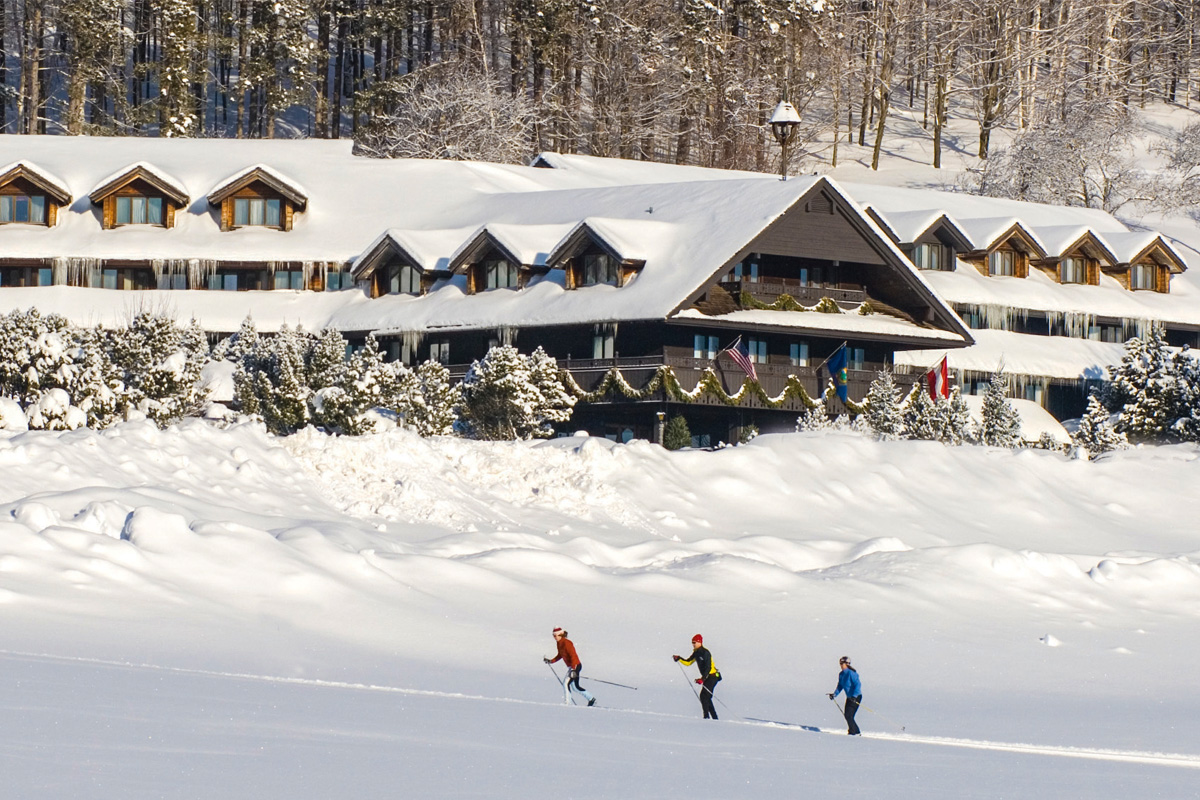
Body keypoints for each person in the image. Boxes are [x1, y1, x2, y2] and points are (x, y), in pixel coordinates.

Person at [544, 627, 596, 707]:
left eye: (555, 635)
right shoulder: (559, 643)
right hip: (572, 667)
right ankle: (591, 699)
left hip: (575, 666)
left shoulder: (567, 643)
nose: (554, 637)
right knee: (575, 687)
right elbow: (560, 655)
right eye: (553, 635)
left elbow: (573, 656)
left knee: (566, 683)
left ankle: (567, 704)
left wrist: (574, 670)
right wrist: (551, 661)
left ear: (561, 634)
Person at [673, 634, 721, 720]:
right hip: (707, 677)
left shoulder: (705, 652)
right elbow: (688, 662)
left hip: (712, 676)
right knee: (706, 697)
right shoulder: (696, 653)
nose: (693, 644)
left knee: (704, 696)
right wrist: (679, 658)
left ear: (699, 642)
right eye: (692, 642)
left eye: (694, 642)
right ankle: (714, 718)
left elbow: (708, 667)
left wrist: (702, 679)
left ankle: (707, 717)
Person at [827, 655, 862, 735]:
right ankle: (855, 731)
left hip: (856, 697)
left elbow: (857, 685)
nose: (841, 665)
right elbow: (840, 686)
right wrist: (834, 694)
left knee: (849, 715)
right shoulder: (841, 674)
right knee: (847, 715)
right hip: (849, 698)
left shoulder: (851, 673)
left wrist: (854, 696)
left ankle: (853, 732)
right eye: (840, 664)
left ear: (847, 664)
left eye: (842, 664)